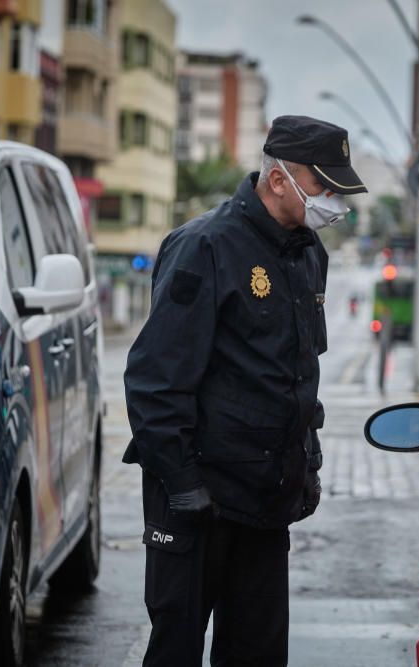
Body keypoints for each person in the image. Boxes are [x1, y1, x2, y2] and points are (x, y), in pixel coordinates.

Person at [124, 115, 368, 666]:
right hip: (196, 501)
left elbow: (299, 373)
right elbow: (155, 380)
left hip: (264, 503)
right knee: (176, 653)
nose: (333, 200)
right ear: (278, 179)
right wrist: (183, 485)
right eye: (323, 186)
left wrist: (306, 464)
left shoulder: (309, 254)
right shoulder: (204, 247)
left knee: (257, 655)